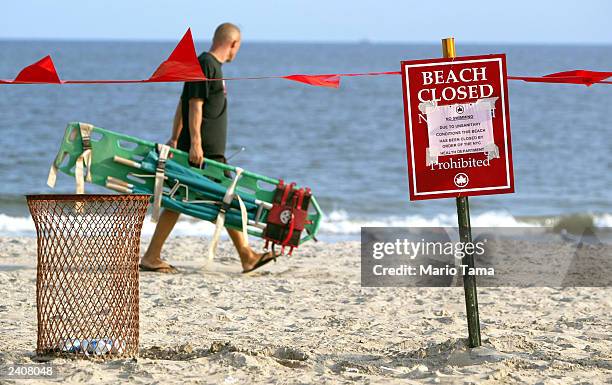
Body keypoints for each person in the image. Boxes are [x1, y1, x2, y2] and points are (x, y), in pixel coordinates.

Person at [140, 23, 276, 274]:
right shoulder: (206, 64)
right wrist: (194, 143)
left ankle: (153, 255)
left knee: (184, 198)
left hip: (208, 150)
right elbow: (194, 104)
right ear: (233, 43)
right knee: (224, 196)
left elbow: (182, 103)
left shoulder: (211, 67)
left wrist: (174, 136)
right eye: (239, 47)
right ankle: (246, 255)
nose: (237, 51)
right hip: (205, 152)